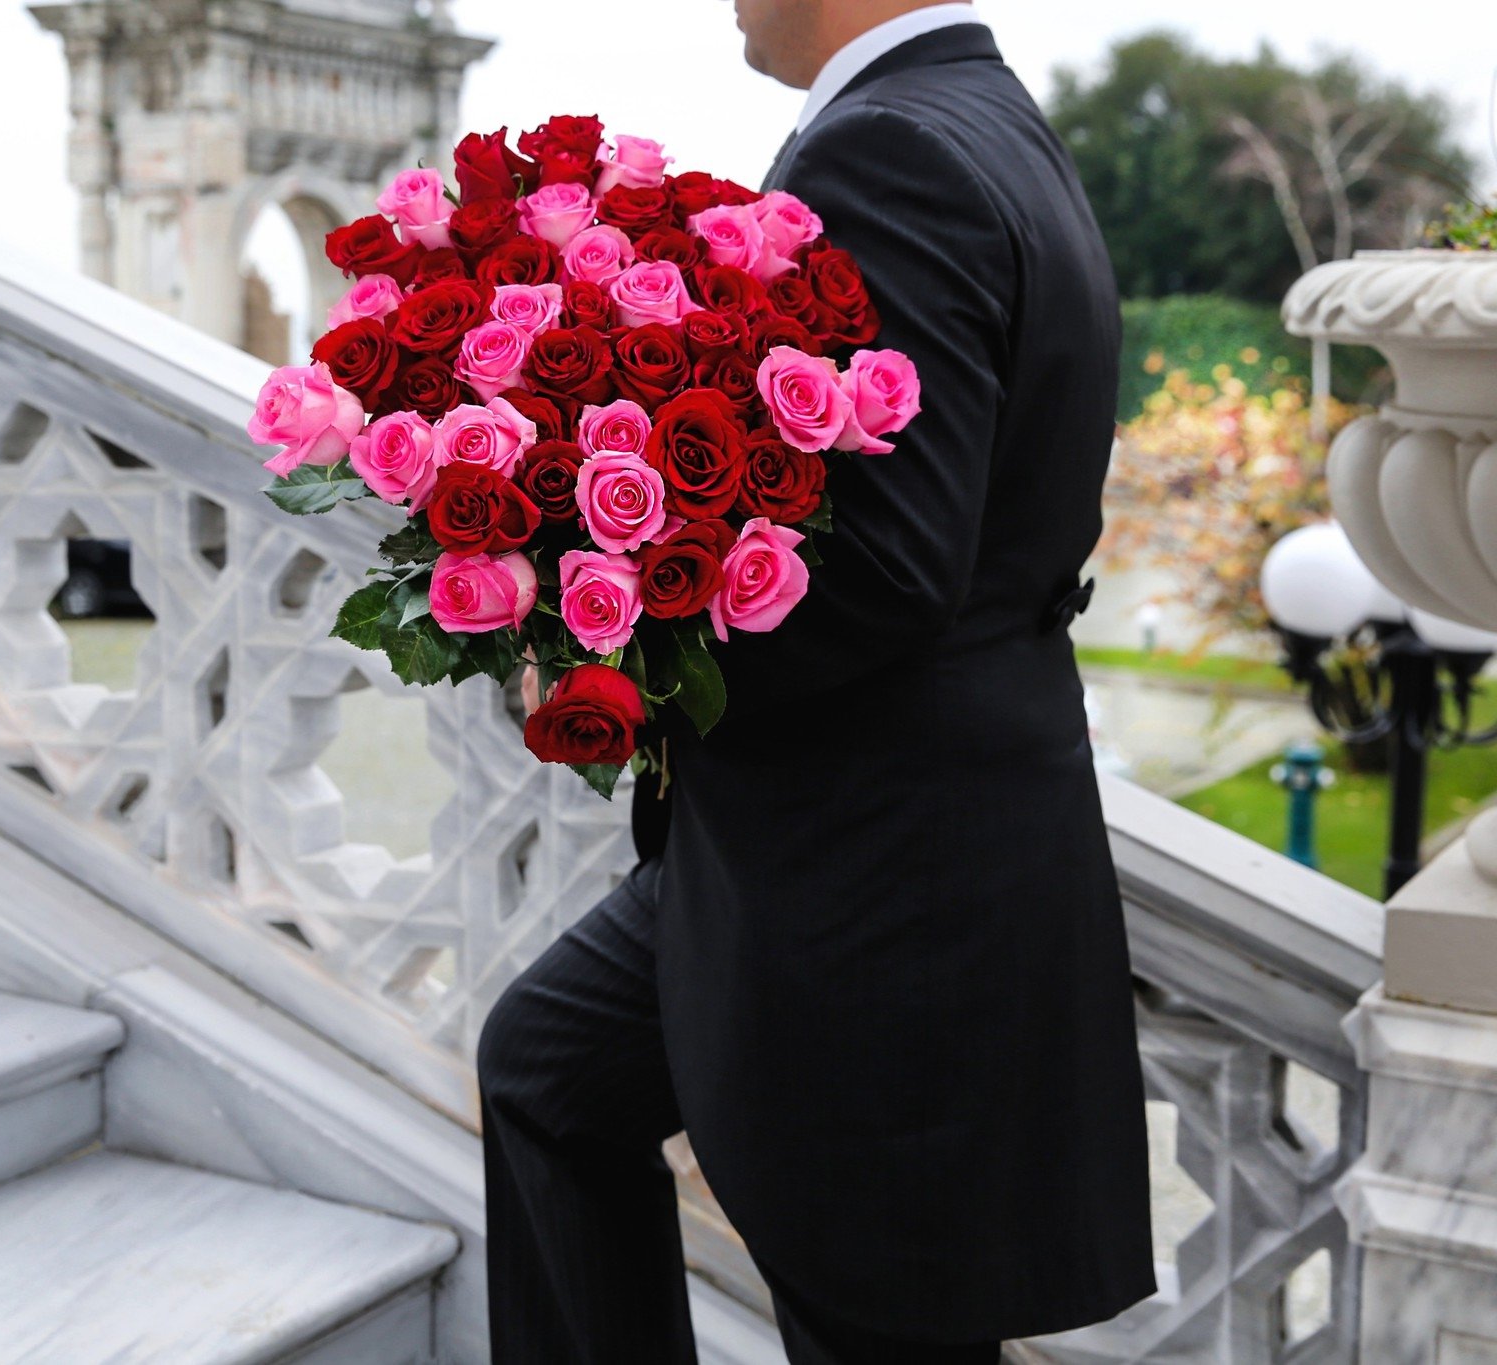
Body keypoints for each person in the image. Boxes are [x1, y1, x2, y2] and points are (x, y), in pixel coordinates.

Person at [476, 2, 1157, 1361]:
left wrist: (618, 652)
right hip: (883, 831)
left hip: (877, 874)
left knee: (879, 1313)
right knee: (549, 1072)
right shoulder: (988, 119)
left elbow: (890, 567)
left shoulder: (889, 149)